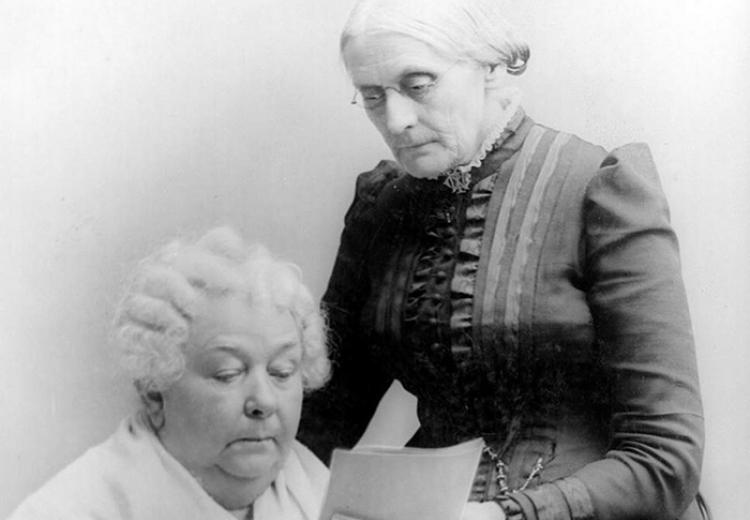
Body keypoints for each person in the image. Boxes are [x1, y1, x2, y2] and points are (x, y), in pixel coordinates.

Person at [298, 1, 706, 519]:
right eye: (373, 97)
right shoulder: (380, 210)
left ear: (490, 67)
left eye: (418, 85)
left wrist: (503, 515)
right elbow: (327, 415)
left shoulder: (597, 190)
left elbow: (666, 456)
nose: (396, 120)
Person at [9, 227, 331, 520]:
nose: (263, 401)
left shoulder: (315, 488)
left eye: (282, 371)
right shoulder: (72, 510)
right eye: (228, 373)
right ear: (154, 394)